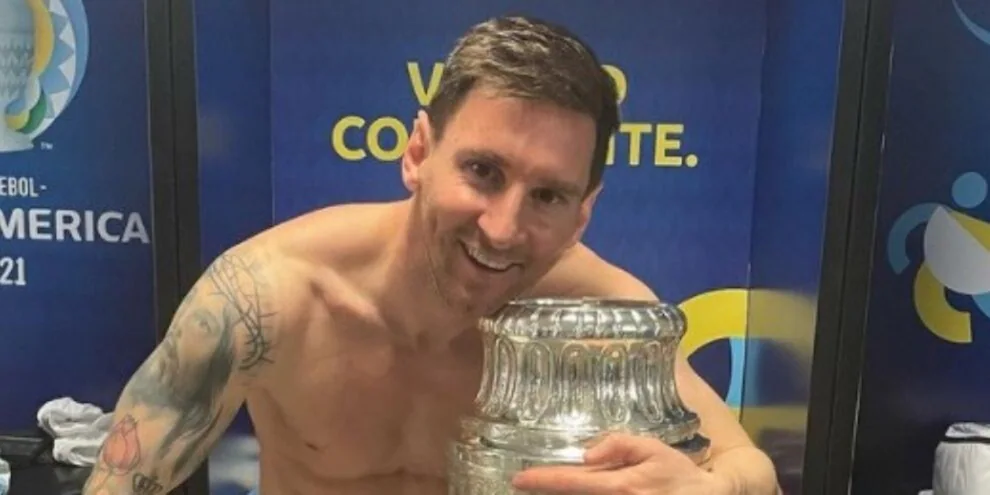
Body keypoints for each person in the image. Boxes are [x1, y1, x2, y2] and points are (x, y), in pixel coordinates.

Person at [82, 15, 780, 495]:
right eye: (483, 171)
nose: (502, 229)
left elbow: (752, 468)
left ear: (583, 213)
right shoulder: (267, 299)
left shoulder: (602, 319)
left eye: (547, 196)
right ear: (418, 153)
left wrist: (714, 486)